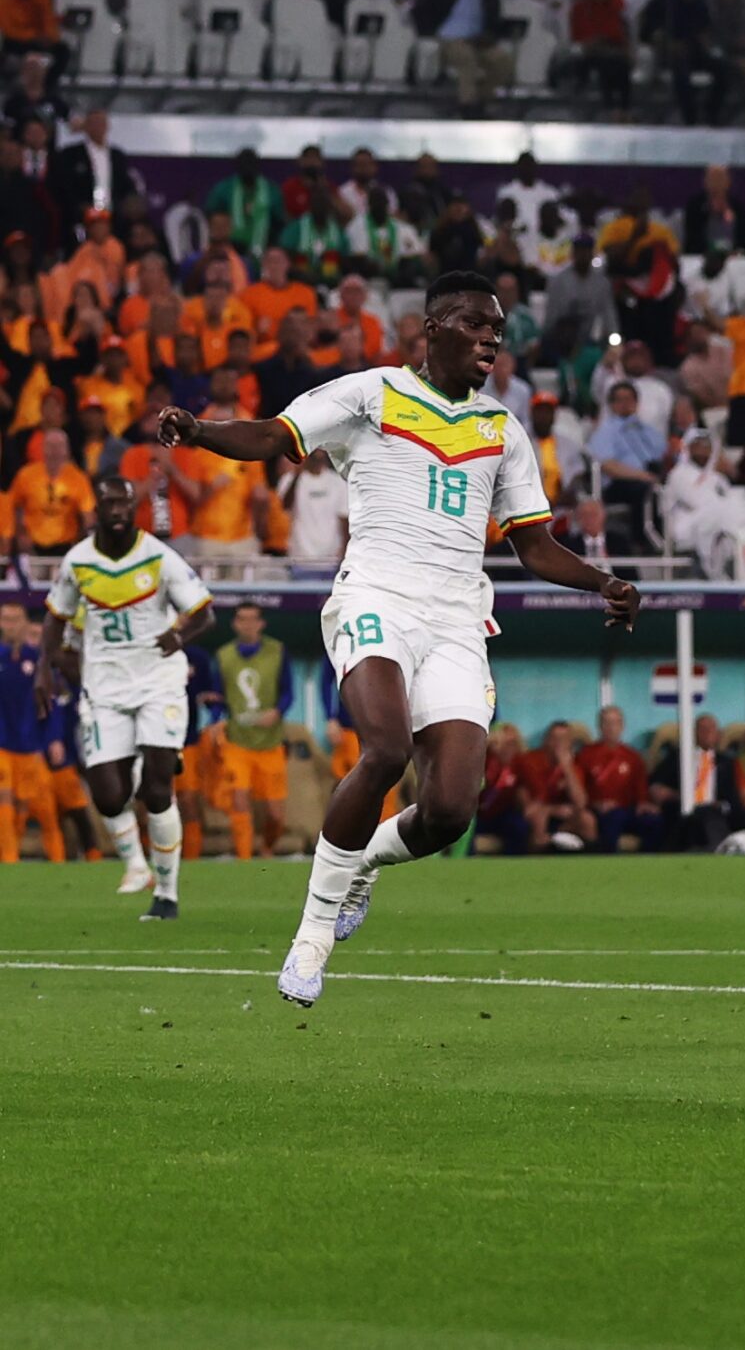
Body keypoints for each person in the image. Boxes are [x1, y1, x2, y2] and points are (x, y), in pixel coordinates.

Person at [153, 270, 641, 1008]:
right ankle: (312, 937)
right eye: (475, 324)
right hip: (376, 595)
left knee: (450, 809)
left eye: (497, 328)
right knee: (384, 749)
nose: (491, 338)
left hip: (456, 619)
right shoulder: (372, 393)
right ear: (433, 328)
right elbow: (275, 434)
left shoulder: (503, 430)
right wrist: (200, 433)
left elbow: (533, 545)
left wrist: (604, 581)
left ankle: (362, 864)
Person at [37, 475, 216, 919]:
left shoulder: (158, 556)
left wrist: (179, 637)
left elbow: (204, 613)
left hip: (158, 680)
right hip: (105, 686)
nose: (118, 511)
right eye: (110, 504)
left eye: (125, 504)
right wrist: (44, 671)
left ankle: (167, 894)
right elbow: (55, 620)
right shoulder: (78, 561)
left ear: (135, 509)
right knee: (108, 797)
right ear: (96, 509)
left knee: (157, 789)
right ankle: (136, 865)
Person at [214, 603, 294, 858]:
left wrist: (277, 711)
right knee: (239, 801)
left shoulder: (277, 651)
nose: (247, 624)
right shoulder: (224, 655)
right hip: (237, 742)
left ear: (261, 623)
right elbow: (218, 696)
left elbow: (288, 692)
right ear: (234, 624)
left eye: (252, 619)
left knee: (275, 814)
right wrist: (216, 719)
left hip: (270, 743)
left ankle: (267, 848)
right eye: (242, 619)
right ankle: (244, 859)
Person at [577, 706, 660, 852]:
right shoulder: (585, 755)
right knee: (614, 818)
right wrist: (595, 804)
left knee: (654, 821)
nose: (611, 728)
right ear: (599, 726)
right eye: (606, 723)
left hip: (628, 810)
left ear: (622, 726)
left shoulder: (633, 757)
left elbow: (641, 789)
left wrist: (643, 803)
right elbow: (578, 790)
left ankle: (648, 862)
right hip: (600, 811)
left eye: (616, 723)